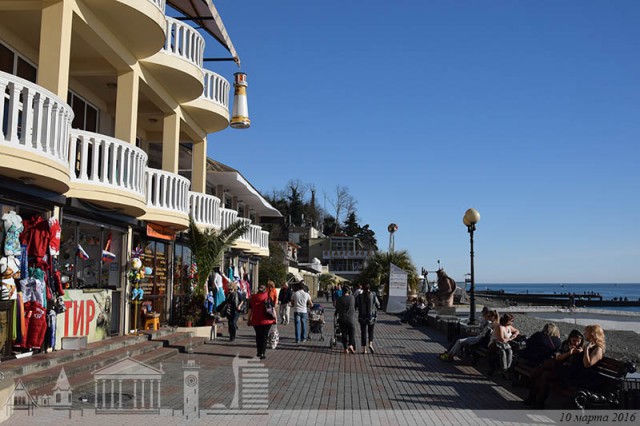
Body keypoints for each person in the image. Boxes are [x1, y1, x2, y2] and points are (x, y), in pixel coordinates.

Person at [525, 325, 604, 409]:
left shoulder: (597, 349)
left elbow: (587, 364)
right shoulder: (587, 345)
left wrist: (585, 350)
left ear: (592, 334)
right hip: (569, 371)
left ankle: (531, 384)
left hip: (578, 377)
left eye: (586, 332)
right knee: (545, 374)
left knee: (547, 366)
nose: (584, 334)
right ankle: (537, 402)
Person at [247, 283, 276, 359]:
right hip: (267, 320)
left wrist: (249, 319)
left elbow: (250, 310)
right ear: (265, 290)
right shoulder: (268, 297)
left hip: (256, 320)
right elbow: (272, 308)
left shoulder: (253, 298)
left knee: (258, 336)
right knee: (264, 336)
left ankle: (259, 352)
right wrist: (275, 318)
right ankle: (263, 353)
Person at [355, 283, 380, 354]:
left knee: (363, 332)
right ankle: (370, 344)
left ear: (362, 288)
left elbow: (356, 305)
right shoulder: (373, 295)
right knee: (371, 331)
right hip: (371, 316)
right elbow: (378, 304)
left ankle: (364, 349)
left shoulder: (359, 296)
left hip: (362, 316)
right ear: (369, 288)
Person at [335, 287, 357, 354]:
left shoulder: (339, 299)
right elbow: (354, 306)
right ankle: (350, 345)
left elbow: (337, 308)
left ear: (342, 291)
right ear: (348, 291)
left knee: (343, 333)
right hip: (351, 318)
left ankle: (345, 349)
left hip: (342, 318)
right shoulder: (352, 298)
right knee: (352, 332)